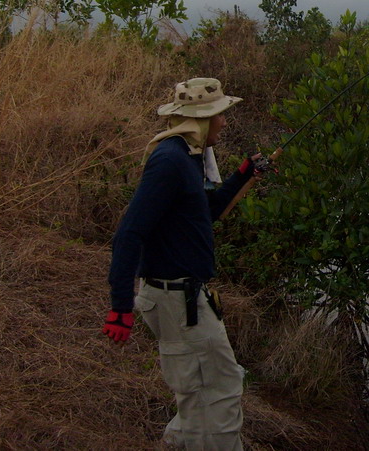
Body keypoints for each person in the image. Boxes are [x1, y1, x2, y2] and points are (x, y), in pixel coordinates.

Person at [102, 77, 266, 450]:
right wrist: (119, 308)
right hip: (178, 302)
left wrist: (244, 174)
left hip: (187, 298)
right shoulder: (170, 161)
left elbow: (204, 214)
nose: (225, 122)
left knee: (200, 393)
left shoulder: (189, 157)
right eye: (221, 115)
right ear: (202, 119)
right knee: (219, 391)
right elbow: (130, 232)